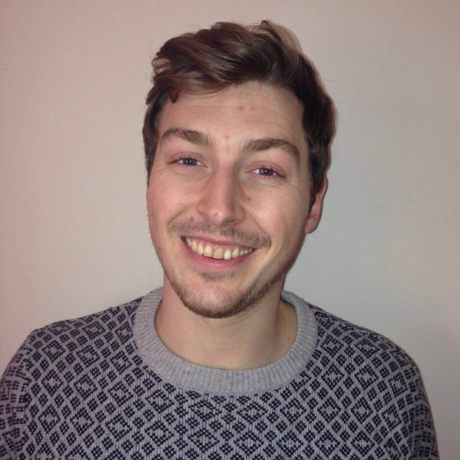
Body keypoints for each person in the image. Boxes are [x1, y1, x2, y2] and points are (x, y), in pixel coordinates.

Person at [0, 20, 438, 459]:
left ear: (313, 203)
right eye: (189, 160)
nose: (219, 208)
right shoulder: (43, 378)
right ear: (150, 182)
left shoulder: (384, 392)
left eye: (265, 169)